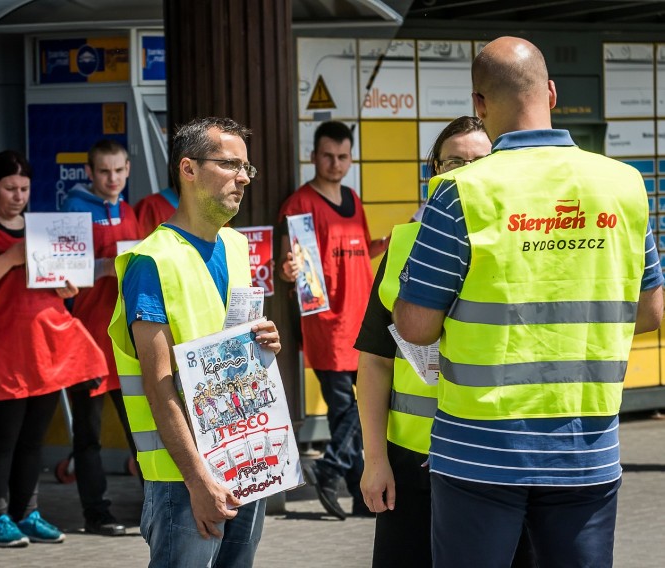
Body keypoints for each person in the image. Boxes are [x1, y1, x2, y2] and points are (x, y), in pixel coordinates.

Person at [393, 37, 664, 567]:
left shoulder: (461, 192)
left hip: (478, 452)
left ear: (479, 104)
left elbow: (417, 325)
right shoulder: (624, 185)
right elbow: (652, 313)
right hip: (586, 446)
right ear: (553, 92)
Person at [357, 117, 532, 567]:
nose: (465, 173)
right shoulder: (402, 246)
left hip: (494, 461)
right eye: (454, 161)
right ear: (432, 170)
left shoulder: (523, 250)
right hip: (413, 466)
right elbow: (375, 363)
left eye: (479, 161)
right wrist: (375, 460)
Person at [107, 117, 281, 567]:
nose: (242, 177)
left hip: (245, 459)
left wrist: (263, 340)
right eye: (228, 164)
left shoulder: (238, 245)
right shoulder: (151, 261)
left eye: (247, 168)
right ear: (188, 169)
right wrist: (198, 481)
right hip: (183, 475)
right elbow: (159, 385)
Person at [0, 150, 109, 548]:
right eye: (9, 188)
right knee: (1, 437)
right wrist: (11, 257)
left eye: (24, 188)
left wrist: (68, 287)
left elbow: (63, 283)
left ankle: (27, 512)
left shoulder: (43, 228)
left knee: (32, 439)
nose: (18, 196)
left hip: (46, 347)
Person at [277, 120, 387, 520]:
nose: (335, 163)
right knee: (352, 413)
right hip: (328, 324)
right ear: (314, 156)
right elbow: (295, 266)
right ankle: (328, 470)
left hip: (363, 319)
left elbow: (358, 250)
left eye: (342, 156)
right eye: (328, 155)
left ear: (350, 158)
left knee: (357, 412)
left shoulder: (354, 199)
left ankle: (360, 497)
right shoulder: (300, 204)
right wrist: (288, 269)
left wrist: (387, 244)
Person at [60, 139, 142, 536]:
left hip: (126, 343)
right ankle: (97, 513)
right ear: (89, 173)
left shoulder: (128, 210)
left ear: (128, 170)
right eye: (104, 172)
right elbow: (61, 272)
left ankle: (156, 504)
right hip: (87, 340)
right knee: (88, 434)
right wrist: (103, 267)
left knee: (142, 428)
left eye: (119, 171)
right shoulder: (73, 210)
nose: (113, 179)